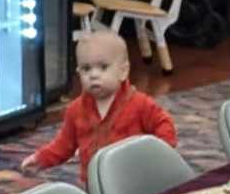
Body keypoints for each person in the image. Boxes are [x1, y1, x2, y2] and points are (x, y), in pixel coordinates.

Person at [24, 24, 180, 182]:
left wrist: (159, 155)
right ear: (78, 73)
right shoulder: (75, 110)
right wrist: (41, 158)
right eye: (86, 69)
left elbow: (164, 124)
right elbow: (63, 145)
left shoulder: (139, 103)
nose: (93, 75)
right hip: (94, 183)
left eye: (103, 67)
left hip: (135, 182)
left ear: (123, 71)